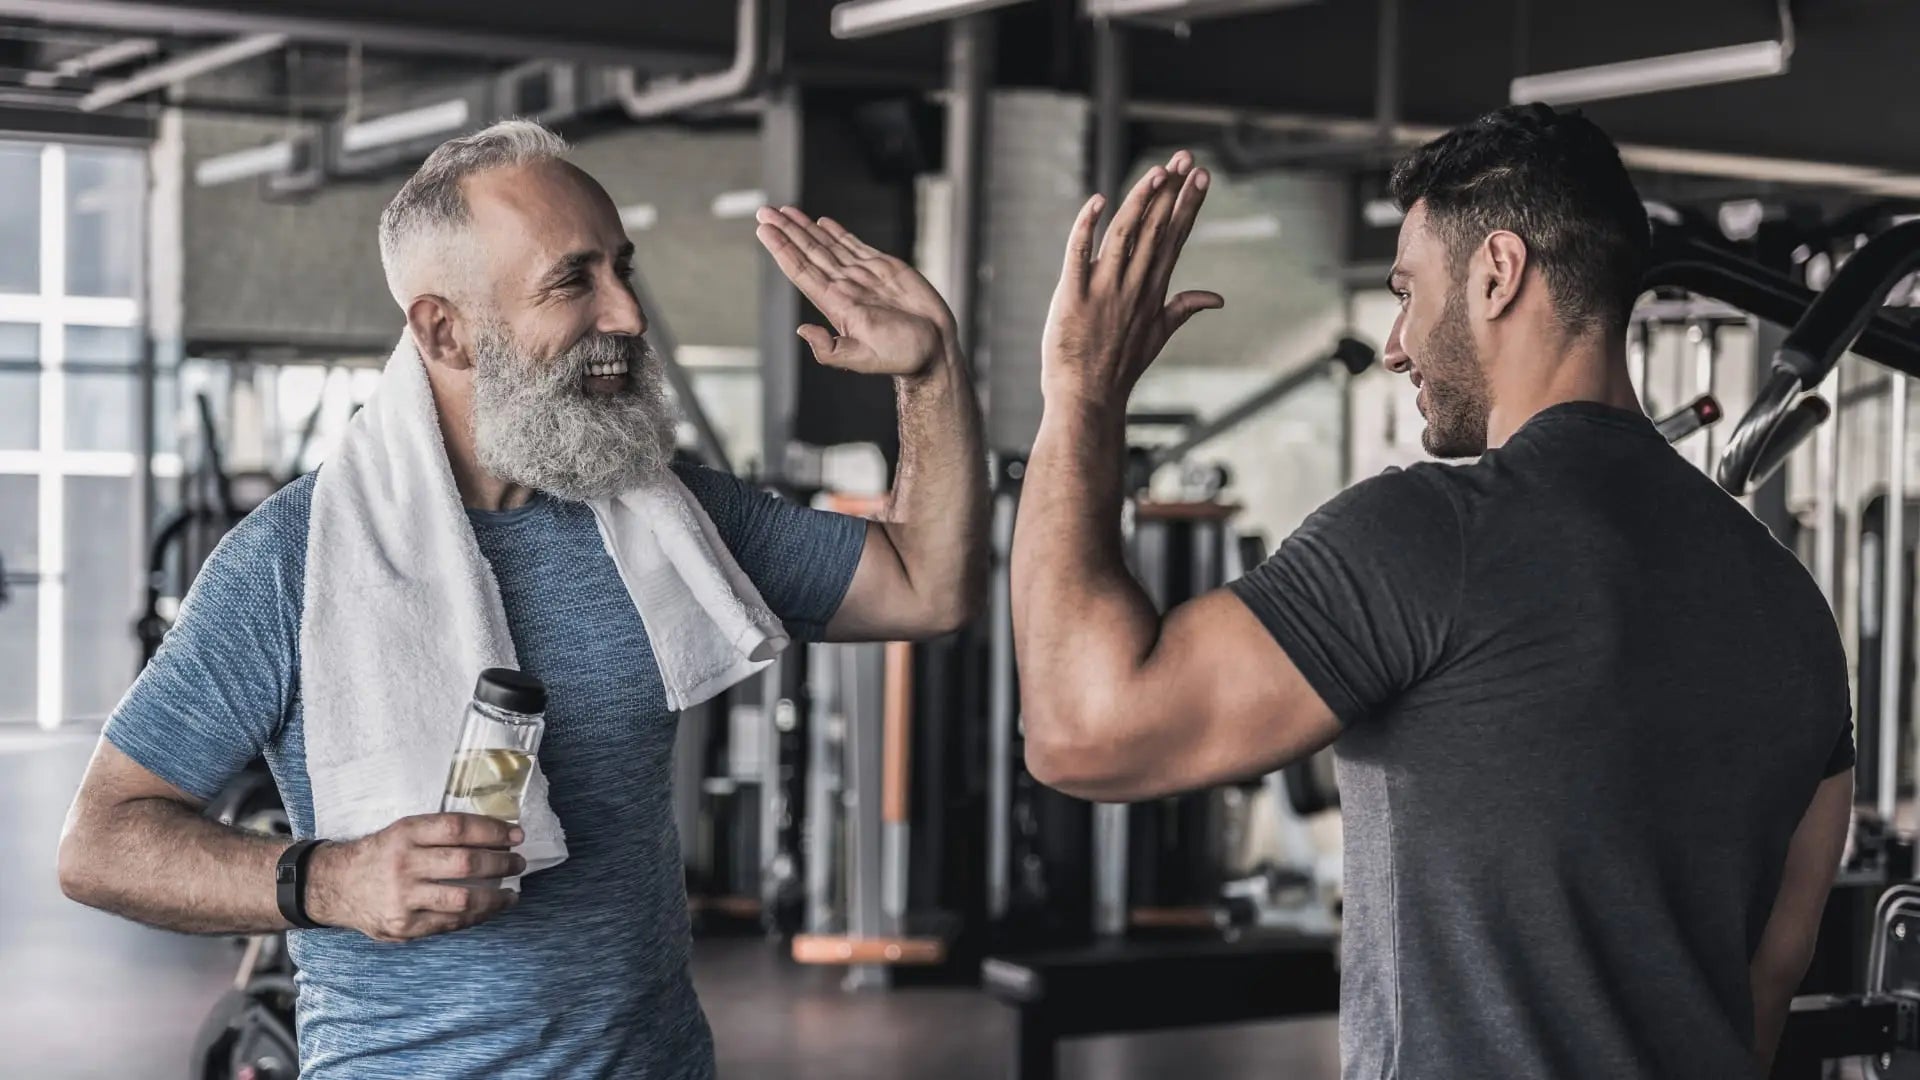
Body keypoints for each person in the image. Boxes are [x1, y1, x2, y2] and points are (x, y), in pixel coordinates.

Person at [57, 120, 987, 1078]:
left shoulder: (670, 515)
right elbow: (100, 840)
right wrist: (327, 880)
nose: (627, 312)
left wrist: (931, 372)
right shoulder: (292, 563)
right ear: (444, 329)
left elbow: (928, 587)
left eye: (623, 268)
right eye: (573, 280)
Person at [1012, 103, 1852, 1079]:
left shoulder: (1429, 534)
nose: (1399, 344)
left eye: (1408, 292)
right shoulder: (1793, 609)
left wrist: (1080, 396)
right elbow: (1767, 985)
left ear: (1498, 273)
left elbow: (1080, 733)